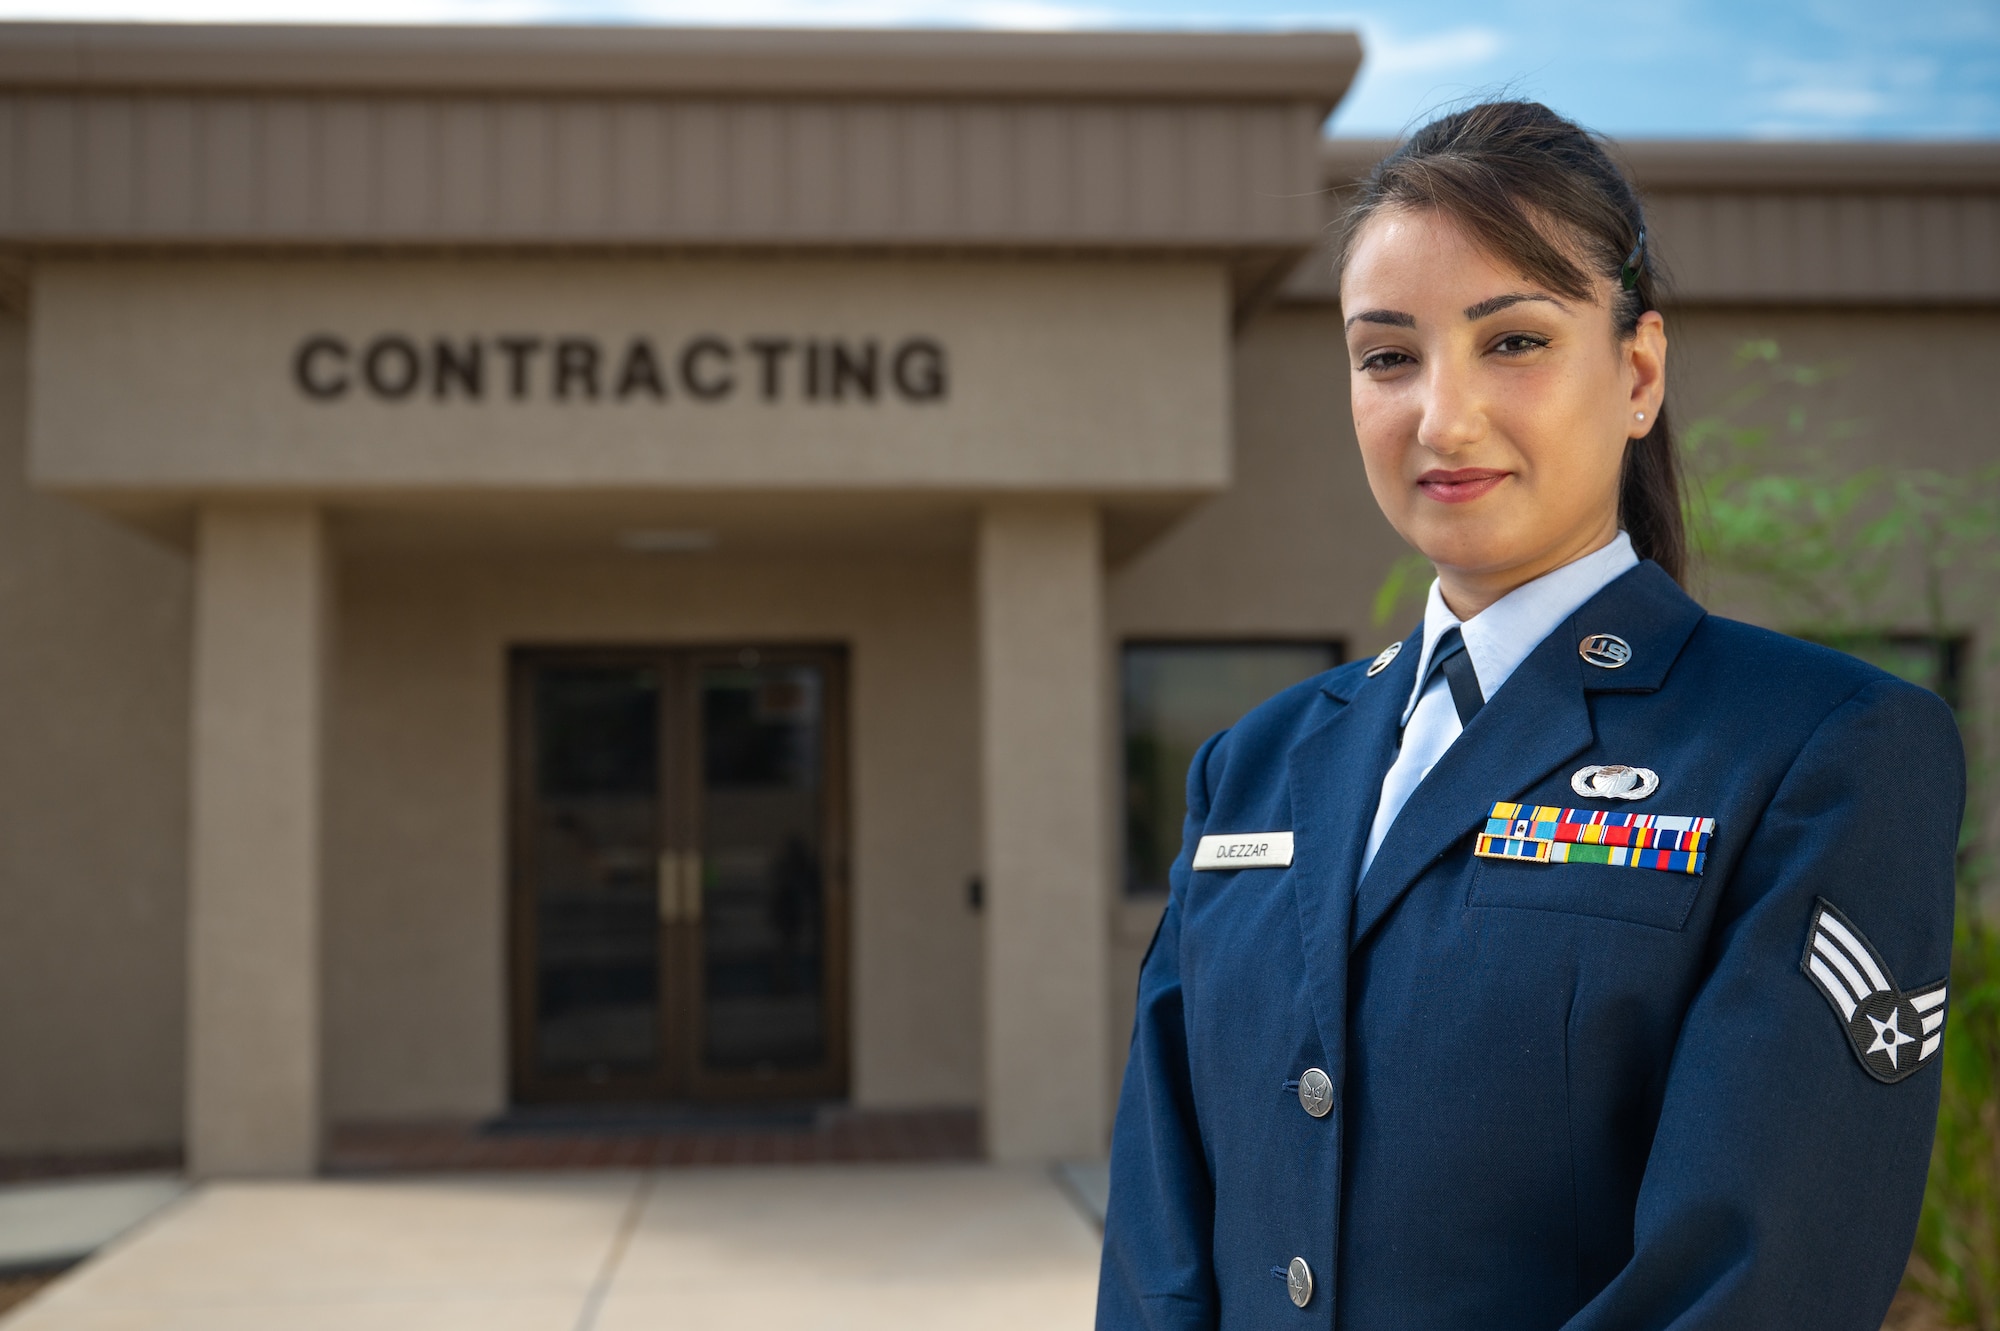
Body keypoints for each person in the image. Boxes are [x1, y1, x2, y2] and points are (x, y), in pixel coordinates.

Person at [1097, 101, 1963, 1330]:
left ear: (1637, 372)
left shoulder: (1816, 751)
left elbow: (1750, 1276)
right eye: (1385, 355)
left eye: (1511, 340)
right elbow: (1157, 1242)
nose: (1439, 418)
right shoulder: (1251, 769)